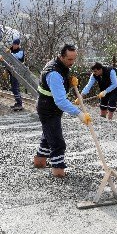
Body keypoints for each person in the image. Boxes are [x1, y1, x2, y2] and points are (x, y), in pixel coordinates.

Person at [34, 44, 91, 178]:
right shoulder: (54, 73)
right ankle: (59, 173)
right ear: (61, 56)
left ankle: (39, 162)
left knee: (48, 136)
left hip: (50, 105)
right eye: (70, 60)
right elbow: (60, 101)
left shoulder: (59, 65)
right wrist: (79, 113)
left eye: (74, 59)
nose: (72, 62)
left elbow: (59, 86)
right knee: (58, 142)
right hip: (48, 108)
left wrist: (69, 82)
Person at [6, 37, 25, 111]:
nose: (14, 46)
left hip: (17, 71)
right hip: (11, 70)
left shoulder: (20, 51)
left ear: (18, 45)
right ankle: (18, 102)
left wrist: (9, 53)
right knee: (14, 88)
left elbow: (18, 57)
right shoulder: (11, 49)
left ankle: (19, 104)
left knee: (15, 88)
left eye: (15, 44)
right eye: (13, 44)